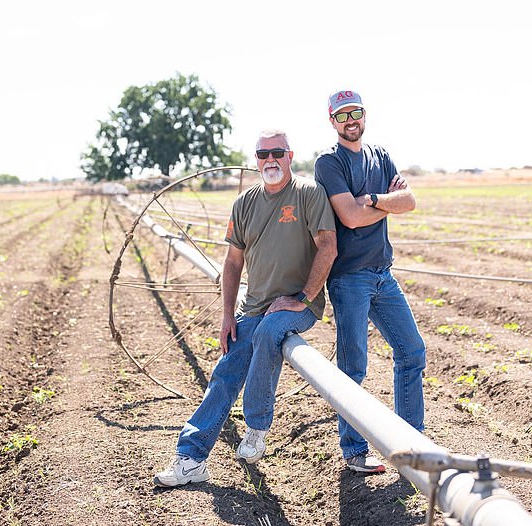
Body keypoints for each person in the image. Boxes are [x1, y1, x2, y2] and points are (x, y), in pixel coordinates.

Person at [154, 129, 337, 487]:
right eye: (263, 154)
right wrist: (227, 316)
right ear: (256, 159)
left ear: (289, 155)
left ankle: (256, 429)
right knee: (225, 371)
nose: (270, 160)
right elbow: (233, 262)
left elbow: (327, 248)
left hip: (297, 305)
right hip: (254, 308)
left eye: (277, 153)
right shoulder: (244, 203)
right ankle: (191, 458)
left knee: (271, 332)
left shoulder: (308, 194)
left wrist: (301, 298)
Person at [314, 90, 426, 474]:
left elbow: (409, 201)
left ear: (364, 115)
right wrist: (384, 203)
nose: (350, 120)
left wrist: (374, 198)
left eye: (355, 113)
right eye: (342, 115)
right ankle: (355, 451)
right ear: (332, 120)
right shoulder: (329, 162)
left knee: (412, 352)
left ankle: (412, 445)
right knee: (353, 367)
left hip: (383, 274)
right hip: (349, 279)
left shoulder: (380, 155)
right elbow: (349, 217)